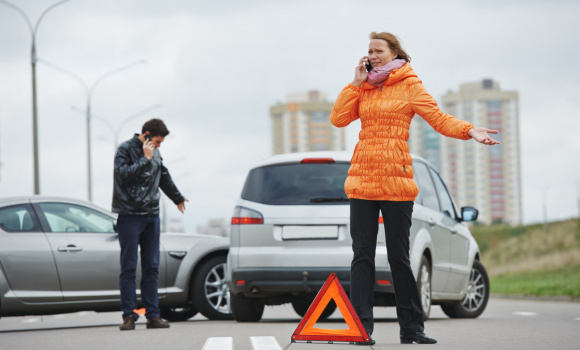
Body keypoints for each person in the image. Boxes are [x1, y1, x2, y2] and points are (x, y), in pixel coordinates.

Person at [330, 32, 499, 345]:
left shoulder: (410, 85)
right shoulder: (364, 86)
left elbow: (437, 118)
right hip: (363, 182)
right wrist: (354, 83)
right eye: (369, 50)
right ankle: (360, 329)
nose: (372, 55)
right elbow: (338, 119)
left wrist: (469, 130)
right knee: (362, 256)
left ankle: (411, 327)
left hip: (396, 183)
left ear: (394, 52)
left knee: (399, 258)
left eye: (378, 50)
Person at [112, 118, 188, 331]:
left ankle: (153, 315)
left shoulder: (156, 152)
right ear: (146, 135)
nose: (159, 146)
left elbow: (162, 174)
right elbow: (123, 175)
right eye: (156, 141)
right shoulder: (125, 150)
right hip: (129, 215)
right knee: (128, 267)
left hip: (151, 216)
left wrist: (177, 197)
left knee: (152, 268)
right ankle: (128, 315)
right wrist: (145, 158)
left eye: (160, 142)